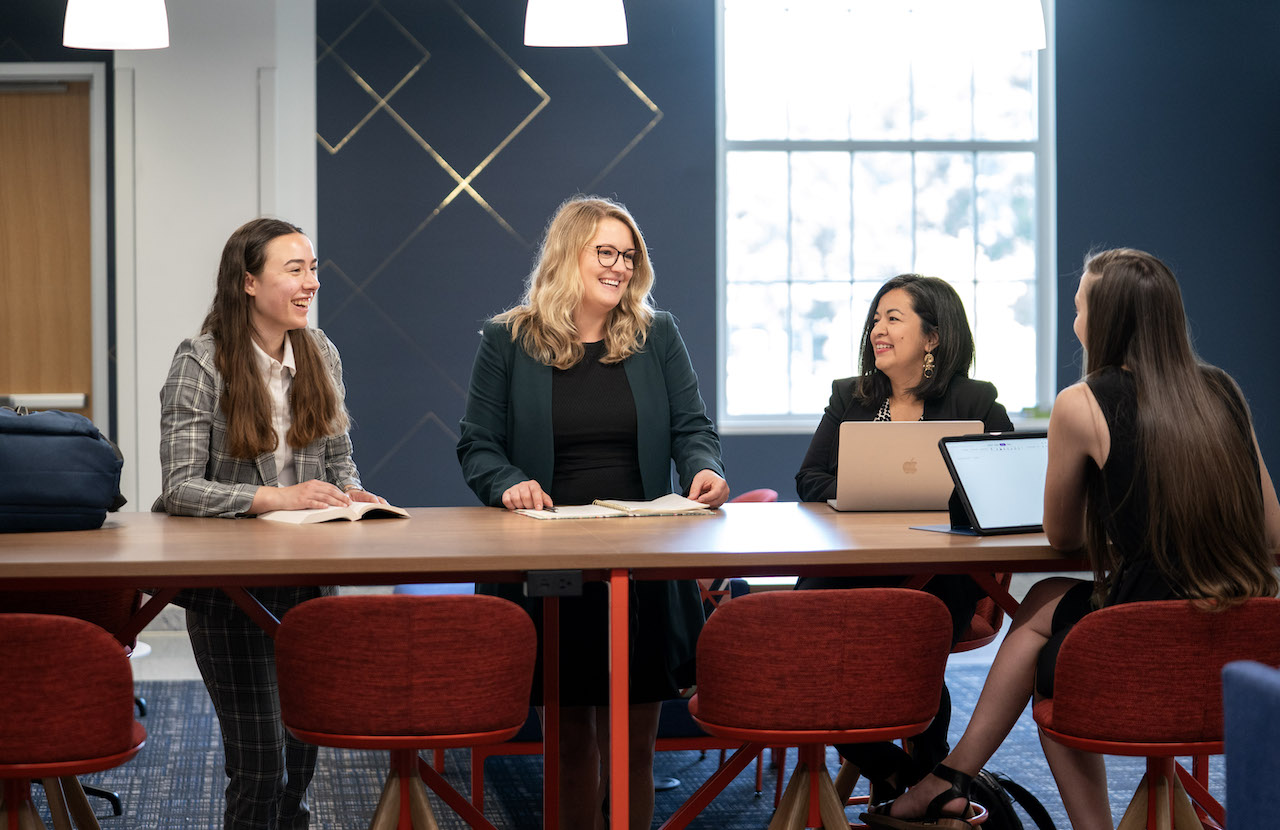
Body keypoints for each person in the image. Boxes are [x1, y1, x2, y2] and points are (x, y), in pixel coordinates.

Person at [865, 249, 1280, 830]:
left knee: (1052, 661)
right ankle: (949, 778)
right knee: (1045, 603)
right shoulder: (1223, 393)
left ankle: (1066, 818)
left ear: (1106, 320)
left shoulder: (1084, 402)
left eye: (1081, 306)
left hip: (1142, 636)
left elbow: (1060, 534)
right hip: (1245, 636)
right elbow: (1271, 533)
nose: (1076, 320)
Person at [457, 195, 729, 829]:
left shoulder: (657, 335)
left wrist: (704, 469)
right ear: (567, 256)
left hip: (642, 560)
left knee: (634, 751)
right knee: (571, 746)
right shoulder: (509, 338)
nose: (619, 267)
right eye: (604, 253)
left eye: (628, 256)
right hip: (549, 561)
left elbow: (692, 427)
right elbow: (478, 443)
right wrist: (508, 483)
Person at [155, 217, 385, 830]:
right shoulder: (200, 363)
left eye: (313, 269)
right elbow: (179, 489)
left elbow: (338, 460)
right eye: (295, 270)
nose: (311, 282)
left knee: (301, 758)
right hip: (229, 589)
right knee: (260, 766)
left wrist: (350, 491)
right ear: (249, 282)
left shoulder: (321, 352)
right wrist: (272, 499)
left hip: (306, 581)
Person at [794, 274, 1014, 800]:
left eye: (893, 318)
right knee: (808, 634)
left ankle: (924, 773)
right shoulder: (851, 395)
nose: (878, 330)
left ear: (933, 338)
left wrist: (923, 498)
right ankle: (910, 776)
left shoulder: (976, 401)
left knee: (914, 638)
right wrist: (879, 492)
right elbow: (809, 480)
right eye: (875, 319)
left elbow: (1006, 479)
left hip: (943, 572)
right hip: (852, 566)